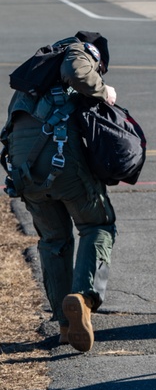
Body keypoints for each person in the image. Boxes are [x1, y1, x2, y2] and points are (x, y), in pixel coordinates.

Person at [2, 32, 117, 352]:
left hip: (24, 171)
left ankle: (65, 326)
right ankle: (82, 298)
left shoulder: (36, 76)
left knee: (53, 241)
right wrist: (103, 90)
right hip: (61, 162)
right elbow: (77, 72)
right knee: (97, 224)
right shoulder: (78, 53)